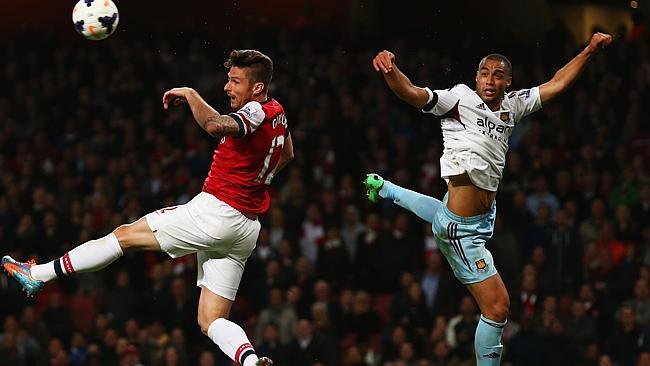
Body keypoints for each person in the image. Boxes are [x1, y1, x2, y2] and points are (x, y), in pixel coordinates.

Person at [2, 49, 294, 366]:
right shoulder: (277, 111)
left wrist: (192, 94)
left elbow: (215, 126)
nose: (226, 87)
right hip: (245, 227)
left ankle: (39, 275)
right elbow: (287, 154)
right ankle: (252, 362)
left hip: (216, 212)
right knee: (210, 320)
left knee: (123, 236)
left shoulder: (254, 112)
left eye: (235, 81)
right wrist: (254, 179)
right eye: (228, 79)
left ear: (257, 88)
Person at [365, 32, 612, 366]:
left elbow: (557, 83)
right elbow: (411, 93)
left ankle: (387, 188)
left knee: (444, 216)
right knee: (497, 308)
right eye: (484, 73)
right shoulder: (458, 99)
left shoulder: (514, 105)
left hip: (481, 220)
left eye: (498, 75)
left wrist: (589, 51)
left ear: (508, 81)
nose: (490, 80)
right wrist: (391, 71)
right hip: (461, 232)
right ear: (476, 77)